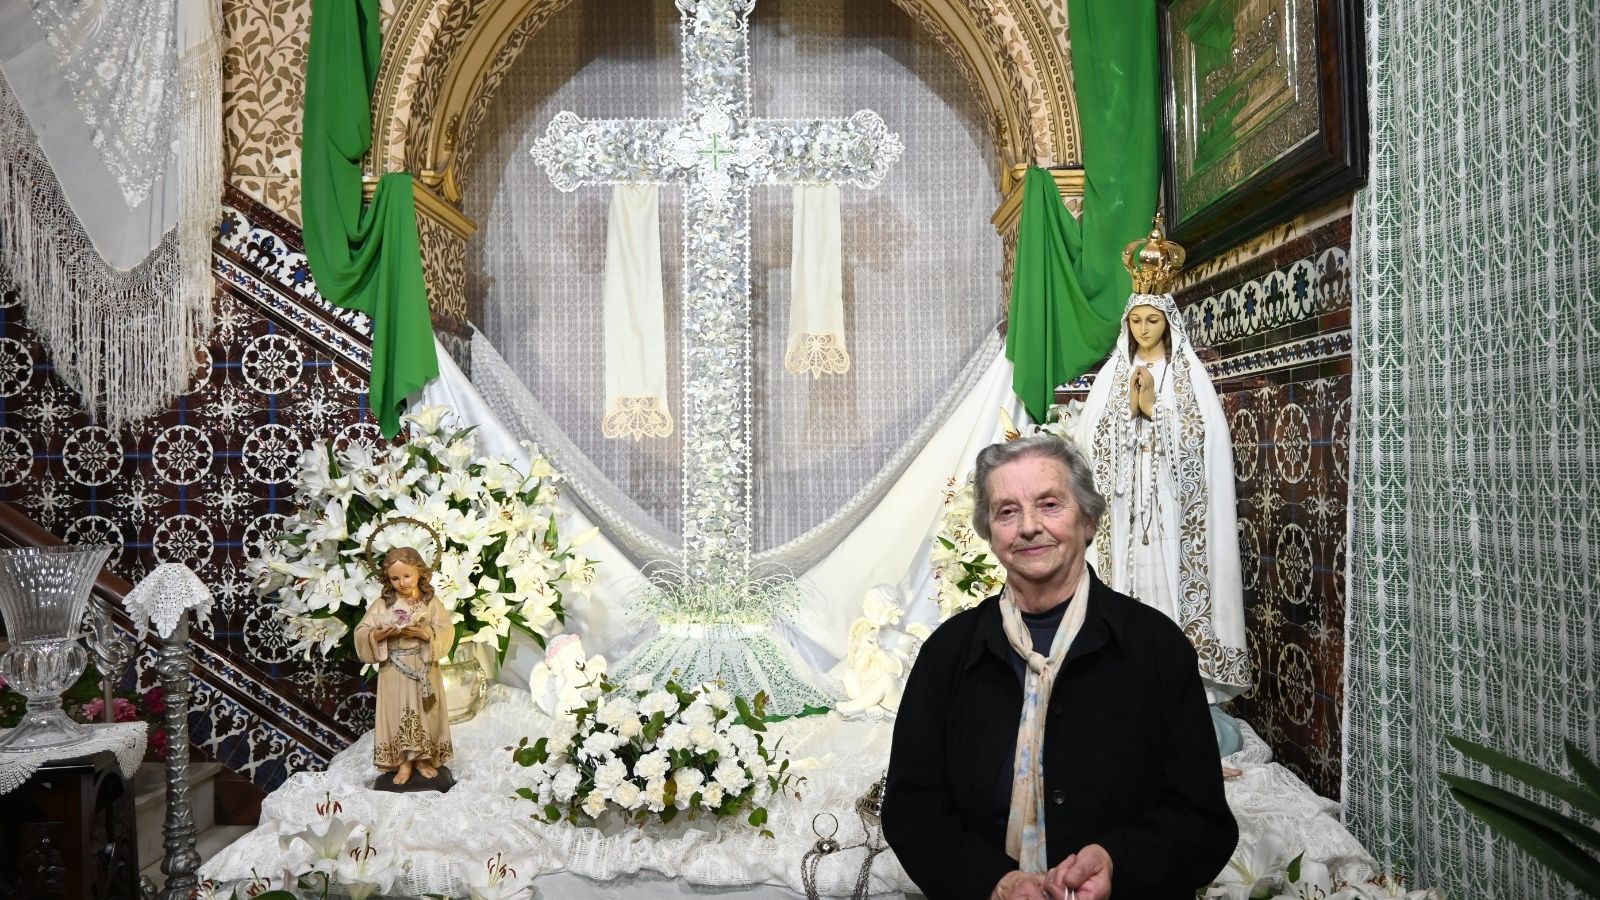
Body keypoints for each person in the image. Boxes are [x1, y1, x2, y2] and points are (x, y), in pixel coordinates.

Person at [882, 434, 1236, 900]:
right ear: (989, 533)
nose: (1028, 527)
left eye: (1049, 505)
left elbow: (1202, 821)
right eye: (1007, 511)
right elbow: (912, 809)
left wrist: (1115, 863)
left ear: (1088, 520)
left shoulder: (1156, 648)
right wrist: (996, 882)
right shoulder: (946, 654)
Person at [1075, 292, 1251, 719]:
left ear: (1167, 323)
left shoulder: (1186, 374)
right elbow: (1086, 445)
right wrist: (1125, 417)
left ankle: (1180, 689)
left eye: (1152, 320)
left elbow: (1204, 442)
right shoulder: (1112, 375)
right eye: (1136, 320)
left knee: (1170, 591)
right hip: (1124, 515)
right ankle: (1120, 684)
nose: (1144, 329)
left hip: (1172, 515)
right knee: (1123, 589)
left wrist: (1154, 410)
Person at [354, 546, 454, 785]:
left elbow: (447, 630)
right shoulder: (383, 603)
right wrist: (377, 635)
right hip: (394, 669)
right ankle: (404, 763)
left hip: (423, 665)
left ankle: (422, 759)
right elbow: (361, 631)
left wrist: (425, 633)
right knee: (398, 715)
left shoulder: (430, 602)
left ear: (420, 572)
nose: (402, 582)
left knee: (424, 713)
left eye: (407, 575)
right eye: (395, 578)